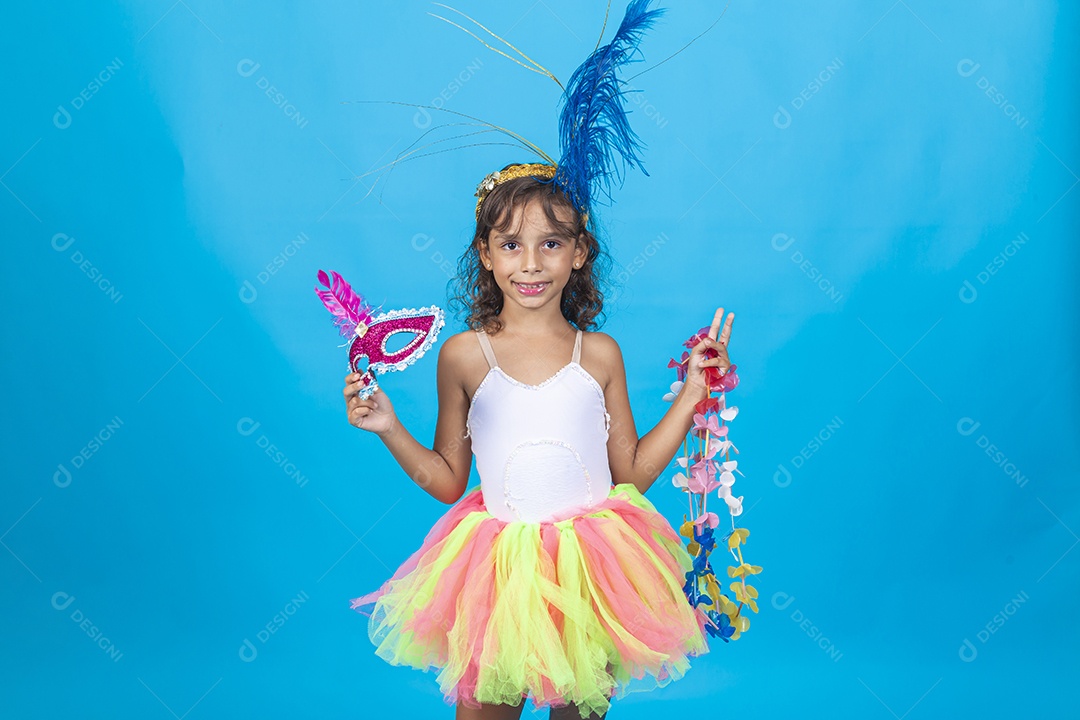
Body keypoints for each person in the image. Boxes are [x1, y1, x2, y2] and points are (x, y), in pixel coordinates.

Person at [341, 161, 735, 719]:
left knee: (578, 708)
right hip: (499, 572)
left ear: (579, 252)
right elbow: (448, 480)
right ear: (485, 252)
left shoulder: (599, 355)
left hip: (591, 568)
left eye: (550, 243)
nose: (530, 264)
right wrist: (389, 427)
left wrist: (692, 394)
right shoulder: (464, 355)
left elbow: (631, 474)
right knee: (484, 706)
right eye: (510, 245)